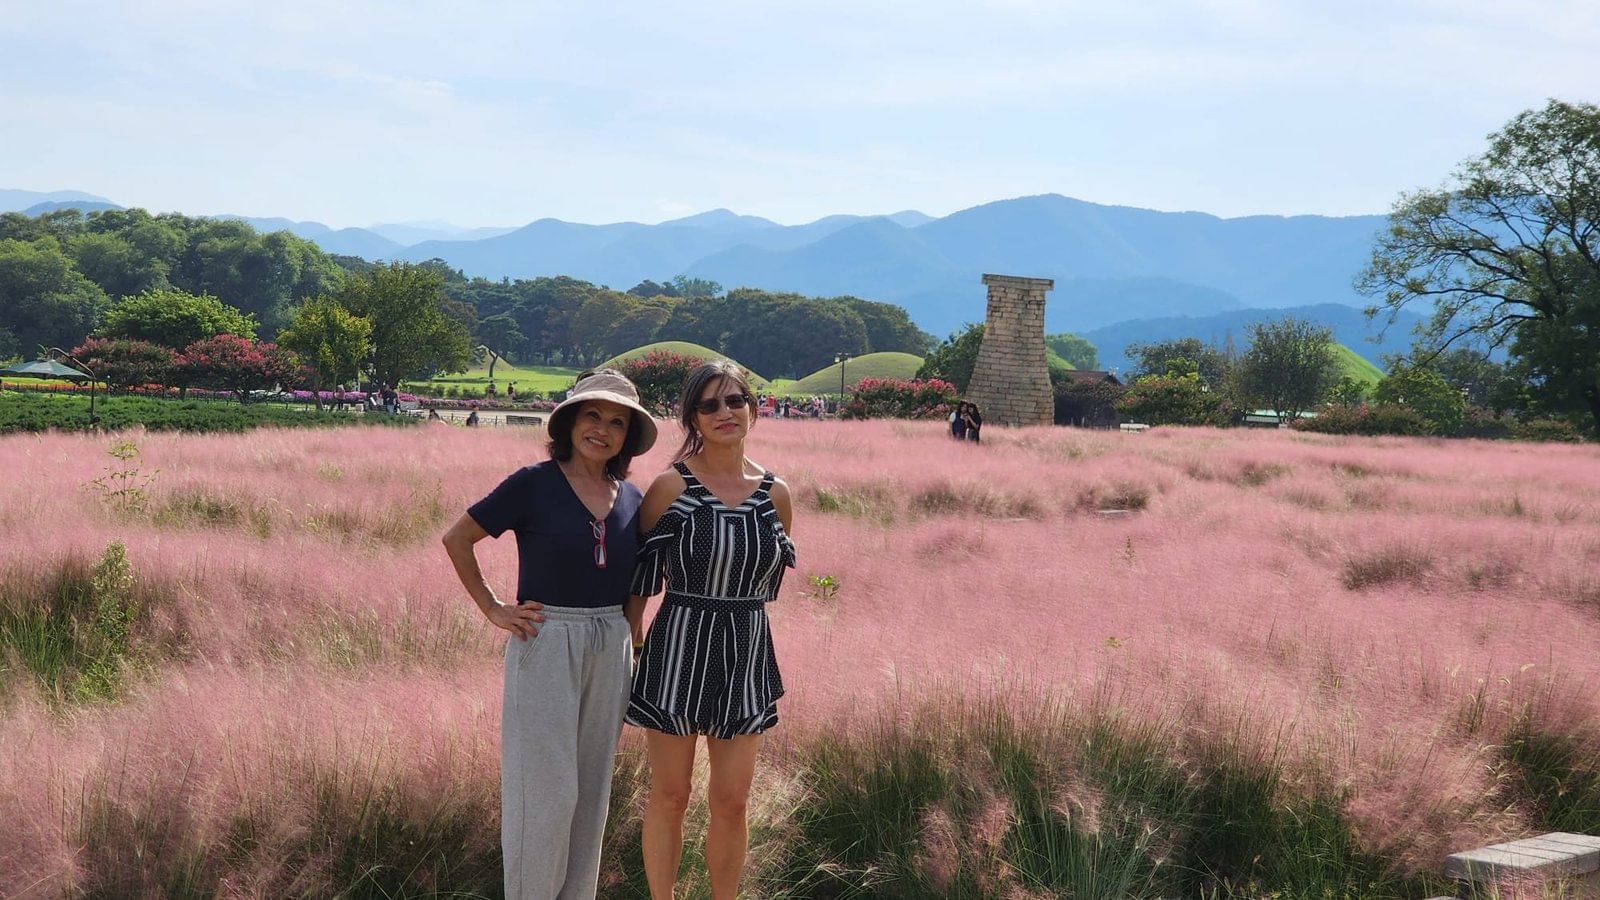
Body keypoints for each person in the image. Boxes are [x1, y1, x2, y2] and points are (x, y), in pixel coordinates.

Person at [442, 370, 659, 900]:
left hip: (610, 644)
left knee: (591, 793)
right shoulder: (533, 483)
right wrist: (494, 608)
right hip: (547, 636)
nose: (602, 430)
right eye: (593, 416)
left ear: (626, 436)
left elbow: (645, 573)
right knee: (546, 791)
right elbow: (458, 538)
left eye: (616, 422)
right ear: (569, 421)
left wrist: (629, 628)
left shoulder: (631, 497)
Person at [628, 360, 795, 900]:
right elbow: (640, 583)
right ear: (692, 419)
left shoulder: (776, 494)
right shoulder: (670, 486)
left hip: (746, 649)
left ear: (753, 407)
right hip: (678, 647)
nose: (725, 412)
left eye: (735, 401)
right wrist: (632, 645)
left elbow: (767, 583)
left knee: (732, 801)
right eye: (710, 405)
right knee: (671, 794)